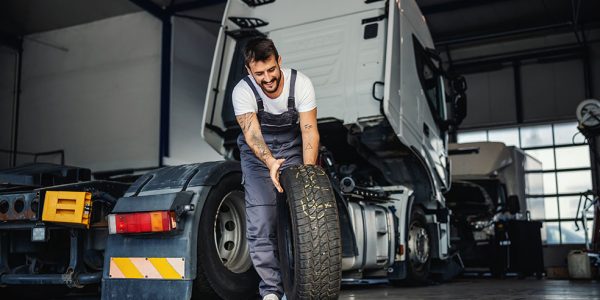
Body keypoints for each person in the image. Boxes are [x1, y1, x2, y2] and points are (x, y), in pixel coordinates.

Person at [232, 37, 319, 300]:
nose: (268, 78)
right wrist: (270, 163)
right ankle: (271, 291)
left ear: (279, 61)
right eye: (259, 73)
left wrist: (307, 175)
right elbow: (253, 135)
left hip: (293, 147)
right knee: (262, 222)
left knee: (300, 218)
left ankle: (301, 285)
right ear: (249, 71)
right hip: (258, 156)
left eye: (271, 69)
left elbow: (309, 131)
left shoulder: (301, 84)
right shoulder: (243, 91)